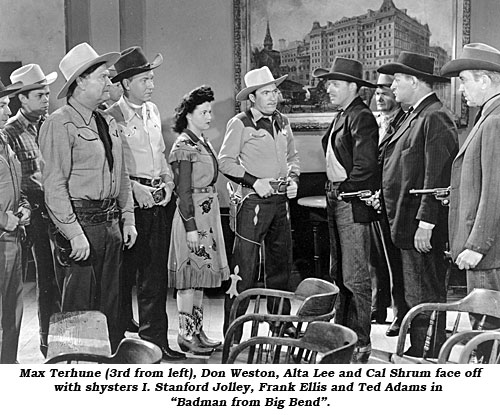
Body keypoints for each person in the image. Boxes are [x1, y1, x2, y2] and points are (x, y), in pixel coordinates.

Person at [39, 43, 137, 351]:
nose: (110, 83)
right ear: (80, 81)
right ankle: (73, 374)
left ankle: (102, 372)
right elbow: (53, 186)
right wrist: (73, 234)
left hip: (110, 226)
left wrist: (128, 218)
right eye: (103, 77)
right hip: (81, 226)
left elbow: (120, 175)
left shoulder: (106, 121)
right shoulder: (59, 123)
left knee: (109, 306)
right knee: (78, 311)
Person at [376, 52, 458, 356]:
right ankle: (419, 346)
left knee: (425, 290)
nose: (392, 87)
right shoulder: (415, 114)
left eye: (397, 80)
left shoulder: (435, 117)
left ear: (413, 81)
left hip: (420, 225)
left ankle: (429, 351)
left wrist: (427, 222)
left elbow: (436, 176)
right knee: (415, 290)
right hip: (406, 222)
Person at [106, 46, 185, 361]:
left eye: (152, 78)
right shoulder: (112, 116)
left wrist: (167, 183)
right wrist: (134, 187)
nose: (151, 85)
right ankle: (118, 340)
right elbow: (112, 164)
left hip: (157, 201)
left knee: (154, 276)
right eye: (144, 79)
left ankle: (155, 342)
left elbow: (161, 156)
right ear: (126, 84)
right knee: (124, 275)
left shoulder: (152, 111)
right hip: (128, 203)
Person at [218, 66, 300, 339]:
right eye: (265, 92)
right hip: (253, 203)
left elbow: (292, 158)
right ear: (252, 97)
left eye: (274, 91)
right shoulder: (240, 123)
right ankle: (234, 331)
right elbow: (225, 162)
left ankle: (280, 323)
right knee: (244, 269)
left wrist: (294, 180)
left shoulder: (283, 122)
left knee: (280, 268)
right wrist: (254, 181)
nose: (272, 97)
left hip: (280, 204)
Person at [312, 57, 379, 363]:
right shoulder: (344, 114)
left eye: (335, 84)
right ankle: (344, 334)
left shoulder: (360, 116)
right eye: (328, 84)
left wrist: (345, 189)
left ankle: (362, 342)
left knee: (355, 276)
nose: (329, 89)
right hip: (338, 198)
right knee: (340, 272)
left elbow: (365, 166)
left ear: (353, 87)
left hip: (350, 202)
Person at [441, 42, 500, 331]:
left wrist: (476, 245)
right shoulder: (487, 117)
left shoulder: (495, 121)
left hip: (489, 254)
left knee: (487, 333)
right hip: (488, 251)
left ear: (485, 80)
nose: (461, 89)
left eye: (464, 81)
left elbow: (495, 191)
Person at [168, 85, 229, 355]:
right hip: (191, 218)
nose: (209, 117)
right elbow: (182, 193)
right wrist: (191, 228)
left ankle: (197, 331)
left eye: (210, 111)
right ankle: (185, 334)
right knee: (188, 280)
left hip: (208, 216)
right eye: (203, 112)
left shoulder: (202, 142)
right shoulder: (184, 145)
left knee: (200, 277)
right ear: (189, 114)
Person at [3, 64, 58, 357]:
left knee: (61, 277)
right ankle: (47, 341)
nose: (46, 99)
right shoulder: (10, 132)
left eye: (48, 93)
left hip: (57, 209)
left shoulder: (49, 125)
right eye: (39, 95)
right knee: (44, 278)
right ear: (22, 99)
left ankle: (61, 339)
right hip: (31, 214)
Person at [369, 73, 407, 336]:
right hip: (372, 198)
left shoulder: (404, 121)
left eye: (386, 92)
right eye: (377, 92)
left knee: (396, 260)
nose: (380, 97)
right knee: (375, 258)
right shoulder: (373, 121)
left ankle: (399, 313)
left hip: (394, 200)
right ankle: (377, 306)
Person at [0, 80, 29, 364]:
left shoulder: (4, 140)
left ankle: (9, 365)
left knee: (13, 310)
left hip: (13, 239)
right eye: (0, 105)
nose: (6, 110)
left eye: (6, 103)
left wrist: (24, 206)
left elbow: (14, 184)